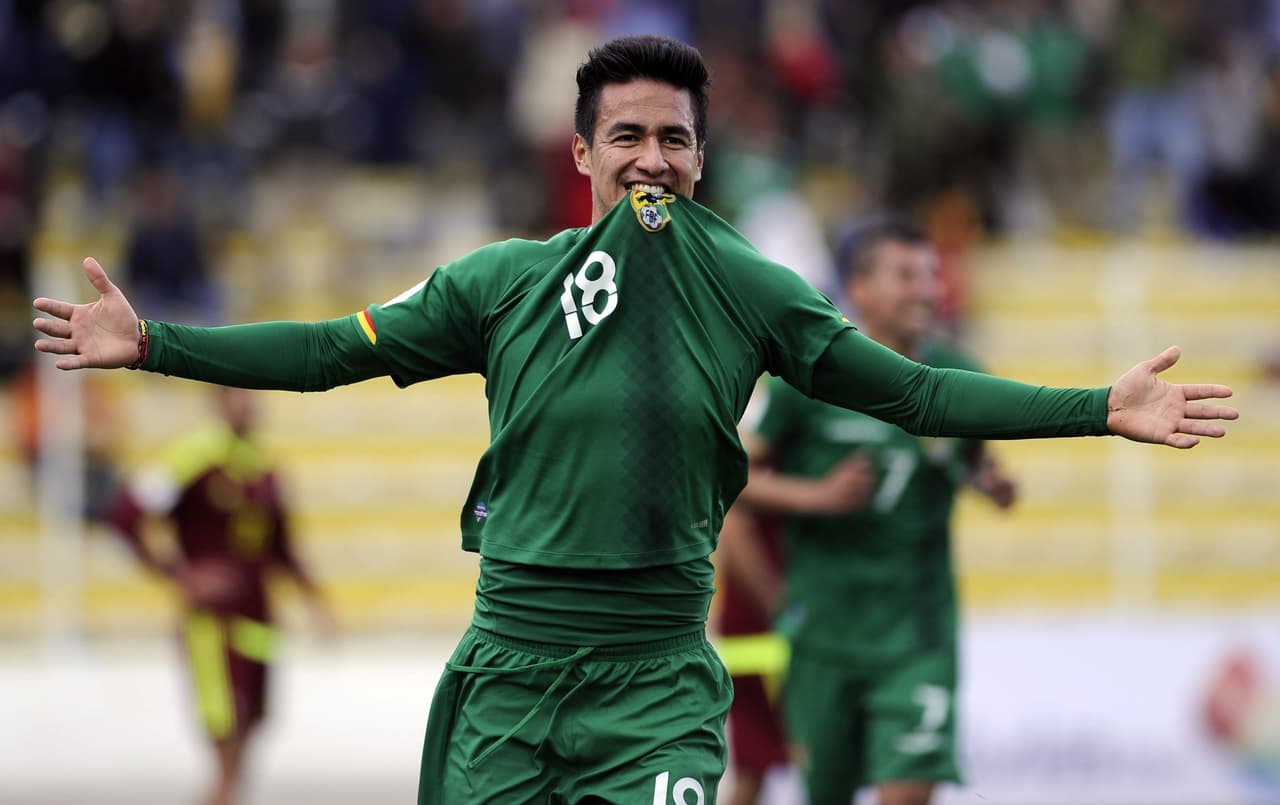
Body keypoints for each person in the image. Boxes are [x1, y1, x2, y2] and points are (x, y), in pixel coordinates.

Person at [31, 35, 1237, 805]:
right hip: (506, 669)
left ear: (701, 159)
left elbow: (912, 393)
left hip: (658, 676)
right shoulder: (497, 282)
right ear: (581, 152)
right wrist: (156, 344)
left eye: (672, 136)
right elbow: (329, 353)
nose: (650, 157)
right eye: (627, 135)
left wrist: (1095, 408)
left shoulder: (751, 285)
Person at [730, 218, 1018, 805]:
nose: (926, 289)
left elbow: (970, 459)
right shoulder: (809, 378)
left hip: (918, 635)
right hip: (823, 634)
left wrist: (986, 481)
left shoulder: (960, 374)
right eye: (906, 275)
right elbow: (728, 476)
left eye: (931, 275)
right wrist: (818, 496)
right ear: (859, 290)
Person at [104, 385, 334, 805]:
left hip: (258, 613)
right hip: (212, 619)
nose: (246, 402)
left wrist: (316, 602)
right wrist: (180, 575)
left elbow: (281, 544)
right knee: (225, 727)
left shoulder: (266, 466)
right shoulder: (192, 457)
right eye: (236, 393)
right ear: (217, 400)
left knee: (254, 723)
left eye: (251, 394)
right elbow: (125, 514)